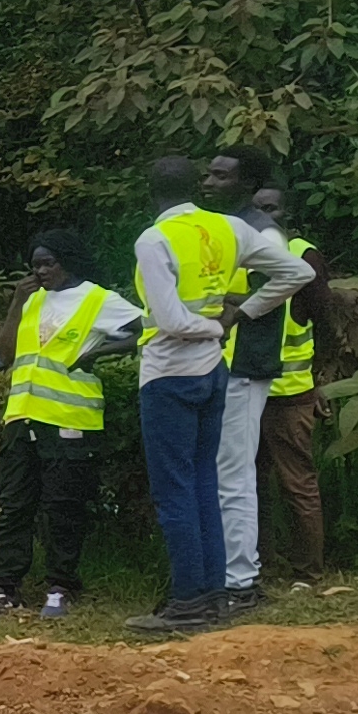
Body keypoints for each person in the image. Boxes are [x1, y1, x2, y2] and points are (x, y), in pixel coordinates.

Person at [129, 153, 310, 632]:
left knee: (175, 490)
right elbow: (297, 274)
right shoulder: (230, 228)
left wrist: (210, 326)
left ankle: (188, 602)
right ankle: (213, 595)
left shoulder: (155, 239)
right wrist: (240, 315)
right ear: (194, 188)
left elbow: (168, 320)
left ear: (152, 193)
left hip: (170, 373)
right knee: (206, 483)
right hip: (214, 374)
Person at [0, 230, 142, 621]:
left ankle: (60, 587)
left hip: (70, 421)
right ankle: (4, 590)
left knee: (62, 507)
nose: (41, 271)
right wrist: (17, 299)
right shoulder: (31, 300)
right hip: (21, 417)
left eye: (48, 263)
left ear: (68, 260)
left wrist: (96, 353)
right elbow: (5, 353)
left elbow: (143, 330)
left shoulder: (97, 299)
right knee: (14, 506)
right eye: (36, 264)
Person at [245, 184, 332, 587]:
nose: (265, 216)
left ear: (287, 214)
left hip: (289, 394)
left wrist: (319, 384)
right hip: (244, 389)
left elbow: (325, 325)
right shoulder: (241, 255)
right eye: (258, 209)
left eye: (272, 208)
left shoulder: (303, 257)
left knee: (296, 483)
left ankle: (308, 573)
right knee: (248, 485)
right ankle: (259, 567)